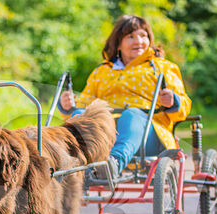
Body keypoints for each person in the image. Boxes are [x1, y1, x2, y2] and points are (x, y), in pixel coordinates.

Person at [58, 15, 191, 177]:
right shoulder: (102, 72)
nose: (138, 41)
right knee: (79, 115)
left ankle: (113, 164)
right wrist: (68, 107)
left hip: (149, 135)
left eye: (143, 36)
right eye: (130, 37)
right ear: (118, 44)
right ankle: (78, 169)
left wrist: (173, 101)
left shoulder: (162, 67)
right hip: (105, 135)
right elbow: (85, 104)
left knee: (132, 114)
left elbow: (184, 105)